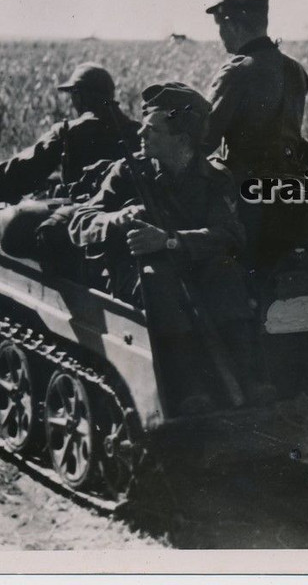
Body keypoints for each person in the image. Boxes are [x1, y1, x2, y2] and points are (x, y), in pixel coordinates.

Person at [68, 82, 266, 412]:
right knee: (159, 275)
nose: (141, 137)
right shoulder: (128, 172)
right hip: (137, 276)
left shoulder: (214, 177)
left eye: (153, 131)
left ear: (182, 140)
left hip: (196, 267)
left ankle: (247, 380)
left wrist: (171, 240)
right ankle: (188, 387)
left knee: (226, 271)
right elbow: (80, 224)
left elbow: (230, 235)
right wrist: (120, 218)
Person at [203, 0, 308, 263]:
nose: (220, 35)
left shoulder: (237, 72)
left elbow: (204, 139)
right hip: (291, 192)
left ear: (231, 22)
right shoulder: (295, 70)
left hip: (247, 198)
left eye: (219, 25)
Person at [0, 62, 140, 209]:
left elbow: (22, 170)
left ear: (79, 97)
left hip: (84, 215)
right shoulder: (137, 130)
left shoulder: (69, 132)